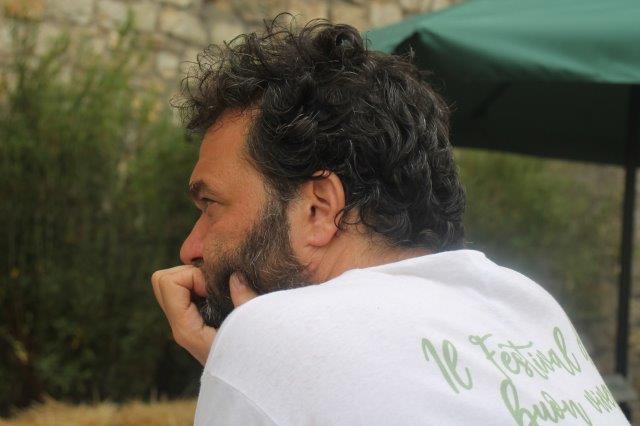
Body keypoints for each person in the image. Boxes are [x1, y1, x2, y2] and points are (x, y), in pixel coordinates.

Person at [150, 17, 629, 426]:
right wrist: (248, 370)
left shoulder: (276, 334)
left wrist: (248, 358)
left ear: (318, 208)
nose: (191, 248)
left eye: (210, 205)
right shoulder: (526, 306)